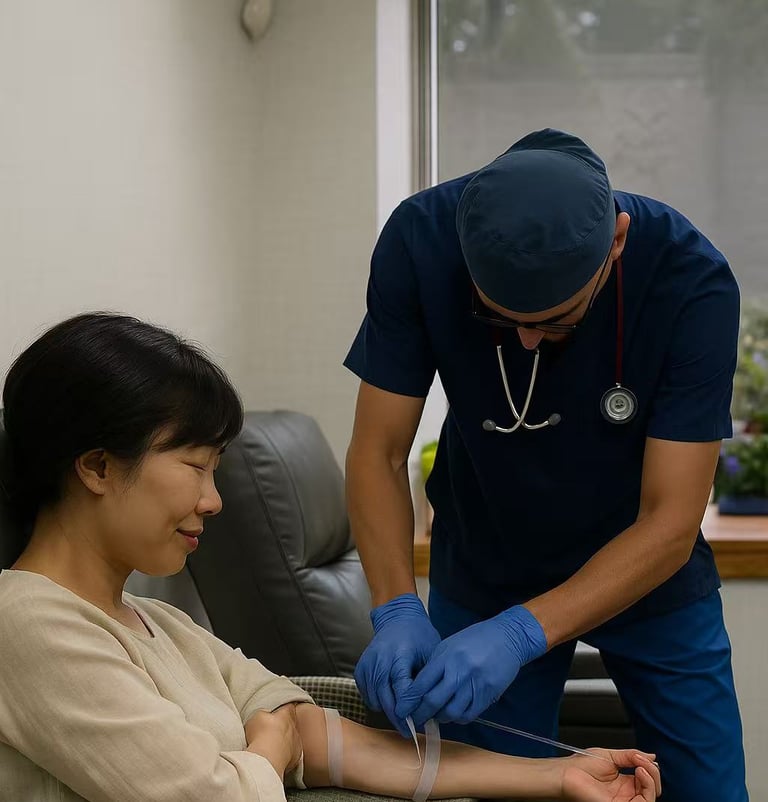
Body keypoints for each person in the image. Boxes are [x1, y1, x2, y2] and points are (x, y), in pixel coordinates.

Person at [0, 311, 660, 802]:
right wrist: (269, 744)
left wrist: (560, 773)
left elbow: (314, 737)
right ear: (97, 467)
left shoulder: (158, 624)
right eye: (196, 466)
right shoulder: (30, 626)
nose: (213, 500)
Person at [345, 128, 748, 802]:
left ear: (616, 242)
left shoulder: (690, 279)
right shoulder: (421, 240)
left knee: (709, 789)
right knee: (503, 788)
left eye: (556, 321)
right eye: (500, 318)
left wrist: (520, 633)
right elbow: (379, 452)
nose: (528, 340)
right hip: (486, 565)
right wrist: (395, 606)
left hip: (645, 567)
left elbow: (671, 522)